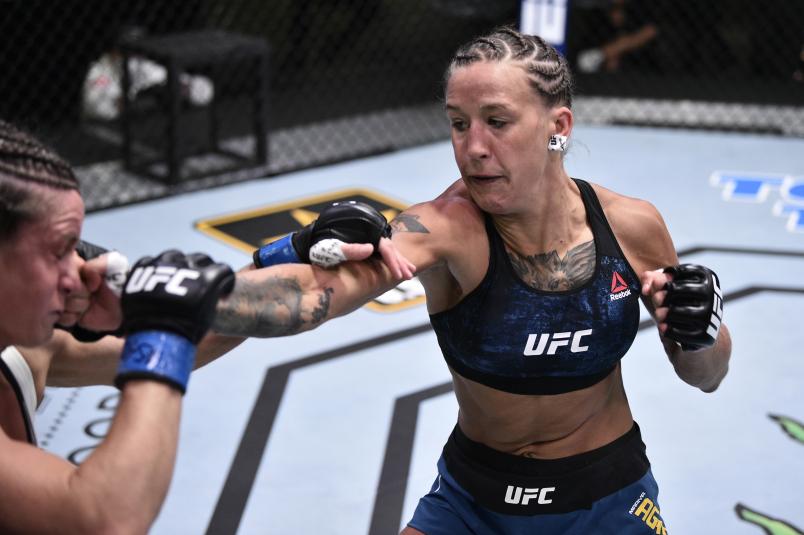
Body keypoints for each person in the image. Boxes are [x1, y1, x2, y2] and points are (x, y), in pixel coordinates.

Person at [211, 27, 731, 534]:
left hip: (607, 499)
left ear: (559, 126)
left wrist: (702, 333)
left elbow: (705, 375)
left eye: (497, 121)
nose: (474, 147)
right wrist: (193, 294)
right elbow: (307, 296)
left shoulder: (631, 226)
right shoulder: (443, 229)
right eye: (459, 124)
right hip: (472, 503)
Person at [0, 119, 236, 533]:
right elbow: (108, 518)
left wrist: (296, 251)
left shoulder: (24, 348)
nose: (77, 270)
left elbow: (201, 338)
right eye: (59, 249)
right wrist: (162, 328)